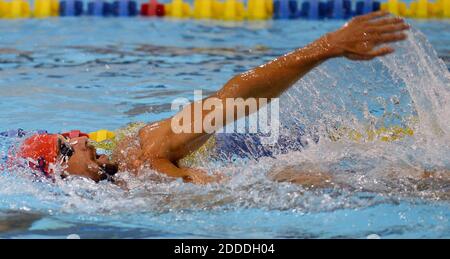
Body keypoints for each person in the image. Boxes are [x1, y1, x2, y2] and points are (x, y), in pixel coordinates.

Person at [15, 11, 410, 185]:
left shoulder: (142, 149)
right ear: (59, 177)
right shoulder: (124, 185)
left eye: (73, 136)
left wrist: (324, 47)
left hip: (271, 150)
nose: (83, 139)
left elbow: (229, 101)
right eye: (66, 148)